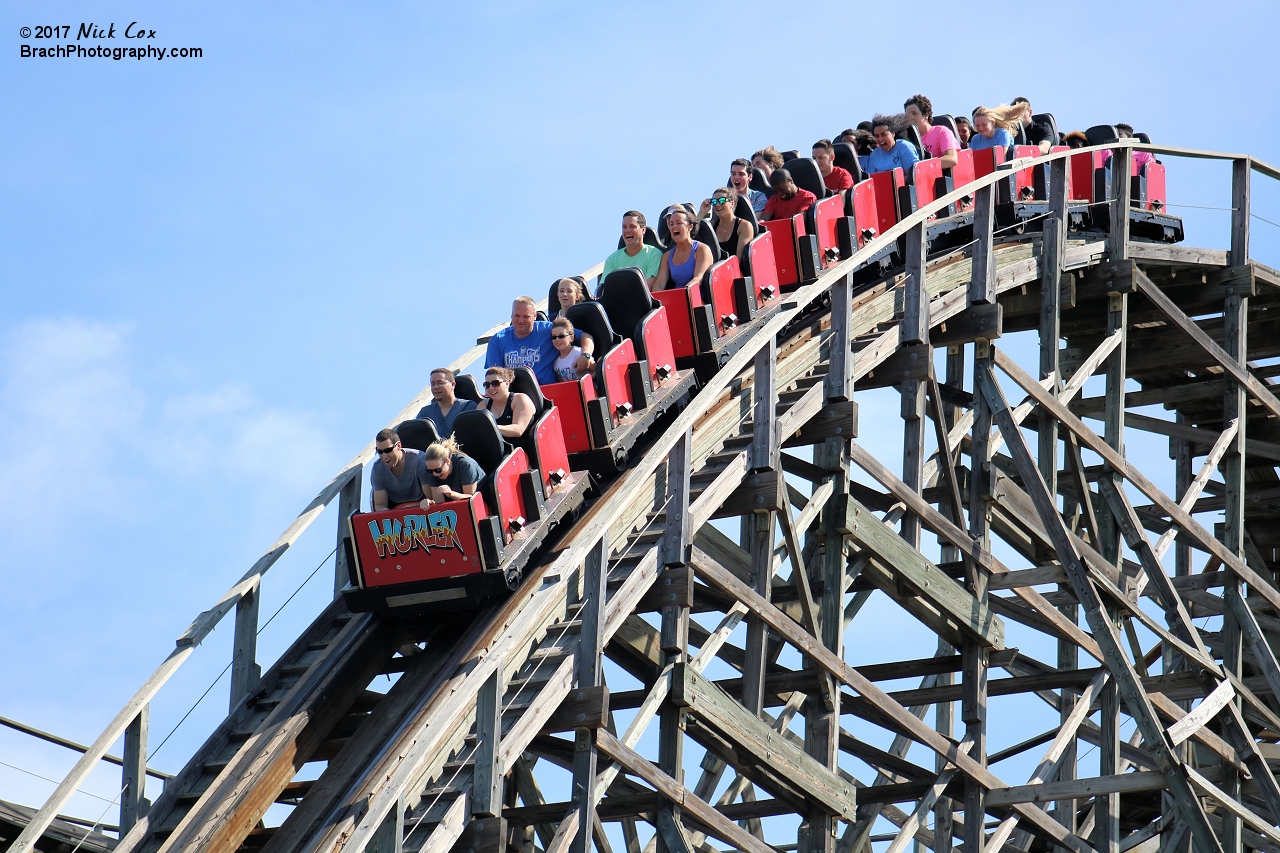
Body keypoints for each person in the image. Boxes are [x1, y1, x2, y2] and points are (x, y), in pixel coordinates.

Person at [486, 296, 594, 385]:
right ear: (511, 315)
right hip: (516, 396)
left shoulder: (548, 330)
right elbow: (495, 377)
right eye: (517, 316)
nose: (521, 320)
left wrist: (586, 355)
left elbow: (586, 336)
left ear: (534, 316)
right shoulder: (497, 341)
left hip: (549, 394)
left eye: (526, 316)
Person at [654, 205, 715, 291]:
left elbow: (698, 279)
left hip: (697, 299)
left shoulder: (702, 249)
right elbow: (659, 283)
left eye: (678, 223)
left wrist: (683, 293)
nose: (674, 226)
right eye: (671, 224)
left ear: (690, 227)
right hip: (676, 298)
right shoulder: (667, 256)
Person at [371, 428, 431, 511]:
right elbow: (380, 506)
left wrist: (405, 509)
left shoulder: (419, 461)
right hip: (395, 515)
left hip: (423, 510)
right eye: (380, 452)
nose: (384, 456)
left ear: (398, 446)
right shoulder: (378, 469)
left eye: (388, 450)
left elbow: (431, 499)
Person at [602, 211, 663, 287]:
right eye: (624, 227)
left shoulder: (653, 254)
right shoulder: (612, 259)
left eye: (632, 226)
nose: (627, 231)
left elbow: (649, 286)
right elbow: (605, 288)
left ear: (643, 230)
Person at [478, 366, 537, 440]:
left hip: (519, 448)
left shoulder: (520, 399)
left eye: (495, 383)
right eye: (487, 385)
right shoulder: (483, 405)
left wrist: (491, 427)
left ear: (506, 383)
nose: (491, 388)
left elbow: (518, 430)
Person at [422, 437, 485, 505]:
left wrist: (451, 494)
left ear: (448, 462)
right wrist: (430, 503)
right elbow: (439, 502)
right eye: (430, 471)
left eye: (438, 470)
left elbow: (470, 499)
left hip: (483, 502)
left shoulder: (465, 465)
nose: (434, 474)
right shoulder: (433, 471)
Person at [416, 368, 477, 437]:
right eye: (433, 384)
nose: (436, 387)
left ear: (453, 385)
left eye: (440, 383)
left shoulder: (467, 406)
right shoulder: (425, 412)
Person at [698, 187, 754, 261]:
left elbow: (740, 259)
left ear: (732, 204)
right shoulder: (711, 226)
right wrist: (702, 213)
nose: (717, 204)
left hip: (734, 270)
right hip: (714, 270)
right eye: (714, 202)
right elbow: (691, 235)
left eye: (722, 201)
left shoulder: (744, 226)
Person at [904, 95, 959, 170]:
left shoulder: (941, 132)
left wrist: (923, 167)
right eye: (907, 116)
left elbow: (951, 159)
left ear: (926, 115)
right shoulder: (906, 141)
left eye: (914, 113)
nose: (910, 118)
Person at [550, 316, 589, 381]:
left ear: (571, 338)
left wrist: (584, 381)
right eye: (554, 337)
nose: (557, 339)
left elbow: (596, 371)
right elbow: (562, 383)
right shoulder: (555, 363)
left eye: (561, 336)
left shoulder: (578, 353)